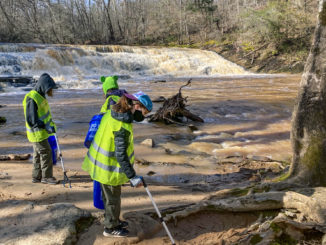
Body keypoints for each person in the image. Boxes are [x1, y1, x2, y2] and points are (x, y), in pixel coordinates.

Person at [82, 91, 153, 237]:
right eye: (144, 112)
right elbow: (121, 155)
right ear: (137, 106)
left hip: (99, 163)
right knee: (112, 199)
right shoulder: (122, 126)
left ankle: (113, 220)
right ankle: (110, 228)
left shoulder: (113, 111)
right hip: (107, 167)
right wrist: (132, 177)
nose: (143, 116)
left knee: (110, 198)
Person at [22, 73, 59, 185]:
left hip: (42, 133)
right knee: (46, 152)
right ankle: (47, 177)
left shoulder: (40, 95)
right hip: (37, 133)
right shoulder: (31, 98)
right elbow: (32, 120)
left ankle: (36, 177)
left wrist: (50, 125)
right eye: (50, 89)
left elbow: (44, 115)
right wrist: (45, 126)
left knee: (38, 154)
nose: (51, 91)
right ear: (43, 86)